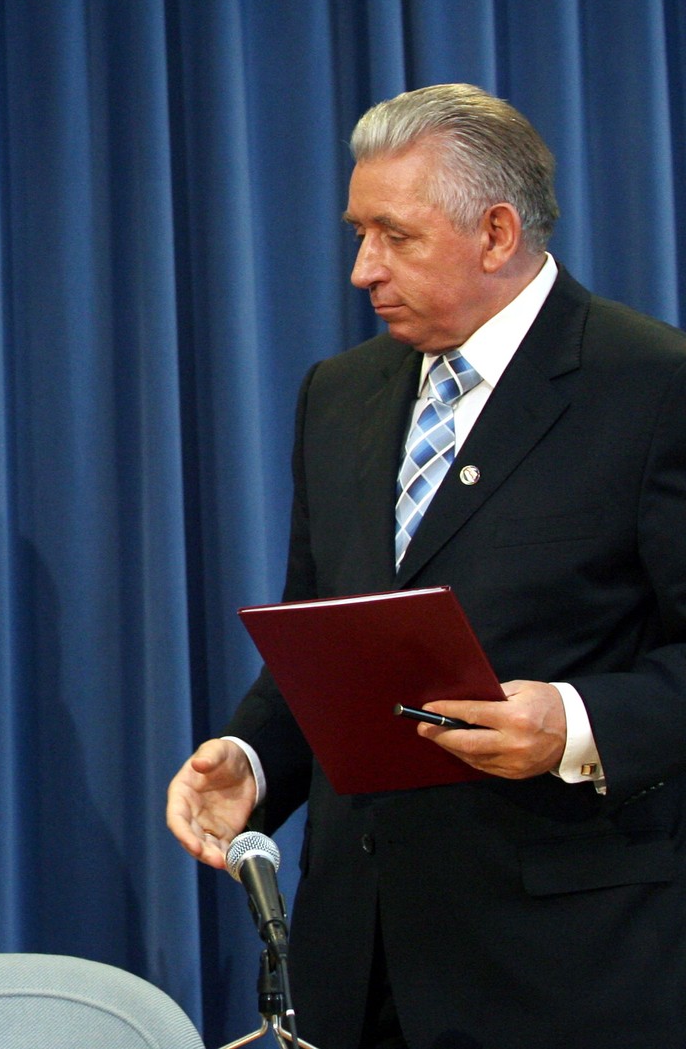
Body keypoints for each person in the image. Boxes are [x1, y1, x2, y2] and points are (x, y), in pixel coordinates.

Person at [165, 83, 686, 1047]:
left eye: (395, 236)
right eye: (359, 233)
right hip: (358, 962)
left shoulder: (653, 385)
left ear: (496, 233)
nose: (363, 268)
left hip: (566, 968)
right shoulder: (339, 393)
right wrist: (253, 759)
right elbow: (325, 635)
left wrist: (574, 721)